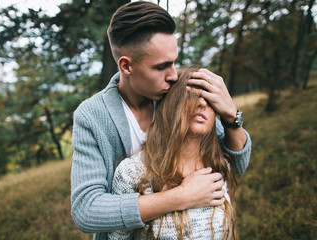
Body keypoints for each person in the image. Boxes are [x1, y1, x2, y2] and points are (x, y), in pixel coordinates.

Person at [71, 1, 251, 239]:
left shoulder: (177, 93)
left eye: (174, 61)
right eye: (162, 66)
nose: (174, 75)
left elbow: (237, 164)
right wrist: (181, 196)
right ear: (126, 65)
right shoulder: (92, 116)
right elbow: (87, 210)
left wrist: (230, 116)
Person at [108, 66, 238, 240]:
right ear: (171, 103)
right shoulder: (132, 172)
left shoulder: (221, 167)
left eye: (210, 99)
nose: (202, 103)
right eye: (191, 95)